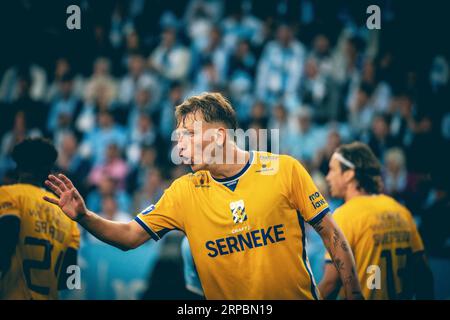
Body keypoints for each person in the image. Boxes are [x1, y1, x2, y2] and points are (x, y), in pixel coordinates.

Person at [44, 92, 362, 300]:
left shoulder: (284, 169)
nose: (181, 147)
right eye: (179, 138)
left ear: (220, 136)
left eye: (189, 136)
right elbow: (129, 237)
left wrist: (355, 295)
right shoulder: (184, 192)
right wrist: (85, 216)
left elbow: (331, 233)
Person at [319, 142, 434, 300]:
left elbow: (331, 283)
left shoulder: (344, 215)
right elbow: (424, 277)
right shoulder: (401, 211)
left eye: (332, 170)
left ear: (349, 174)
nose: (328, 177)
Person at [0, 138, 80, 300]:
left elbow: (5, 246)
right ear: (48, 172)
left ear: (18, 167)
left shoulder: (8, 195)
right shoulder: (68, 216)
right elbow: (70, 281)